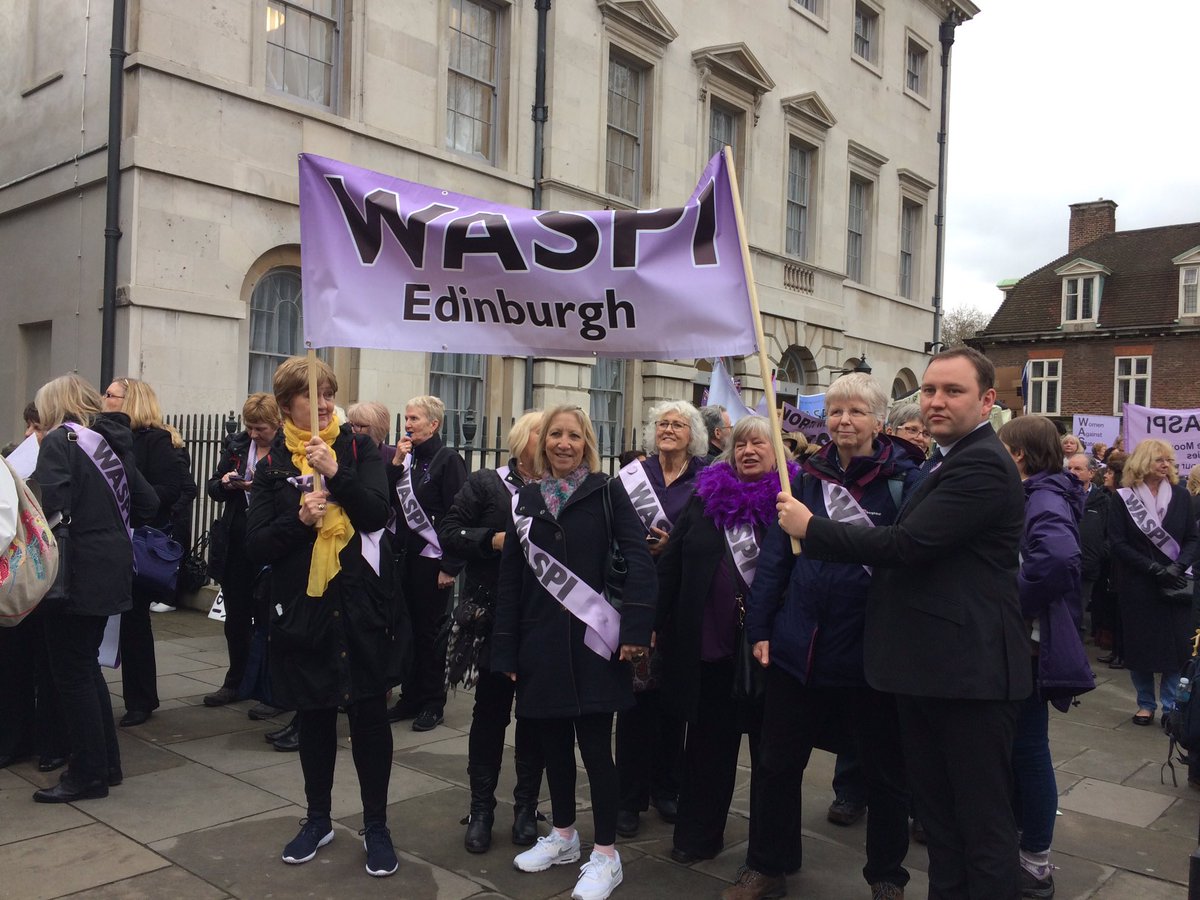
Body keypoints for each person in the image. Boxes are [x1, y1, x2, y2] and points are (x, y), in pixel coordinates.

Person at [775, 348, 1031, 899]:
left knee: (979, 825)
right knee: (942, 821)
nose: (936, 401)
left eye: (953, 391)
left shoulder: (982, 463)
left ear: (987, 401)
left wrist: (812, 527)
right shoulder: (944, 457)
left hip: (968, 675)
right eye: (930, 390)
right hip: (928, 669)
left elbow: (908, 545)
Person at [726, 373, 924, 900]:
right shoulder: (805, 479)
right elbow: (774, 563)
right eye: (835, 412)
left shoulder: (907, 480)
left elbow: (908, 556)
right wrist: (762, 627)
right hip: (800, 648)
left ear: (878, 420)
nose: (843, 421)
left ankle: (887, 876)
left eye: (856, 411)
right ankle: (767, 865)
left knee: (885, 774)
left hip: (871, 652)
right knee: (775, 765)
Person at [245, 356, 405, 877]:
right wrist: (298, 521)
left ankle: (376, 826)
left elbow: (378, 512)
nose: (325, 404)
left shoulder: (358, 448)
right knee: (314, 715)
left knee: (368, 718)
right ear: (289, 404)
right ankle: (318, 818)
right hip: (305, 609)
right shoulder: (272, 467)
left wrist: (337, 473)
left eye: (330, 395)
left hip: (358, 605)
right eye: (314, 398)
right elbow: (257, 545)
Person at [492, 405, 656, 900]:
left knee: (596, 751)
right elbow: (512, 579)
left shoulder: (608, 492)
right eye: (555, 436)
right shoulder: (525, 497)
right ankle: (563, 835)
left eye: (574, 436)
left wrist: (636, 630)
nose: (564, 443)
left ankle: (606, 855)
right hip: (538, 642)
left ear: (587, 442)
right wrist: (506, 652)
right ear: (542, 445)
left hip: (595, 643)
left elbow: (642, 560)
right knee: (551, 746)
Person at [657, 415, 799, 865]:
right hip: (710, 647)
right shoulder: (703, 499)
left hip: (770, 651)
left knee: (773, 758)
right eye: (741, 445)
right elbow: (673, 565)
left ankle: (772, 855)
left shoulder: (794, 502)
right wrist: (653, 623)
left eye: (759, 444)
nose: (749, 451)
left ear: (777, 452)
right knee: (706, 747)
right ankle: (697, 836)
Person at [31, 374, 157, 802]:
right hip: (110, 568)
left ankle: (87, 775)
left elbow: (47, 509)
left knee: (72, 673)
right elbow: (148, 503)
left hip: (74, 573)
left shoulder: (58, 442)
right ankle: (106, 765)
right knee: (86, 668)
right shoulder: (109, 443)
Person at [438, 411, 545, 854]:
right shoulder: (486, 483)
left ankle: (526, 808)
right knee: (490, 714)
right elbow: (448, 531)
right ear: (523, 439)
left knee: (536, 717)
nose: (556, 442)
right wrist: (492, 540)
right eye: (546, 433)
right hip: (492, 617)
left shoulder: (564, 489)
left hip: (542, 619)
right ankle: (481, 808)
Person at [998, 415, 1093, 900]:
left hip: (1028, 648)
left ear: (1017, 455)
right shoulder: (1043, 492)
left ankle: (1035, 860)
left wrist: (1010, 603)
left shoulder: (1042, 496)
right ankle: (1023, 846)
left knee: (1030, 751)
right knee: (1023, 749)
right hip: (1027, 644)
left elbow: (1057, 558)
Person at [613, 400, 706, 837]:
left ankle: (666, 787)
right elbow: (611, 529)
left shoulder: (706, 478)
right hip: (636, 598)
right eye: (662, 424)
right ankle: (628, 797)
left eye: (678, 425)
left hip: (683, 602)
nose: (668, 430)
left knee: (674, 700)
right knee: (634, 703)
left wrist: (674, 548)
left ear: (694, 435)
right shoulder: (632, 476)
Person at [103, 378, 186, 726]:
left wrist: (134, 492)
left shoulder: (156, 441)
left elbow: (174, 489)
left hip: (137, 538)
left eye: (110, 395)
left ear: (130, 400)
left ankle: (141, 698)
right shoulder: (101, 438)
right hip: (109, 538)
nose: (103, 398)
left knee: (135, 621)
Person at [387, 395, 467, 732]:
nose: (407, 424)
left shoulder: (448, 460)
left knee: (431, 633)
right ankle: (410, 695)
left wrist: (451, 564)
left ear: (434, 424)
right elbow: (391, 503)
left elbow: (459, 514)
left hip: (433, 563)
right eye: (406, 418)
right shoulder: (405, 460)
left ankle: (433, 702)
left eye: (415, 418)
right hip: (405, 559)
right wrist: (394, 465)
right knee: (408, 630)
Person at [1109, 439, 1200, 728]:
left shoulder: (1181, 496)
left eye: (1169, 461)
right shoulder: (1123, 498)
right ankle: (1145, 703)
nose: (1166, 466)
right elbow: (1117, 542)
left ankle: (1171, 705)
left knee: (1176, 649)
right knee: (1141, 647)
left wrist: (1178, 565)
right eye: (1160, 460)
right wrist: (1150, 567)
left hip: (1176, 583)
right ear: (1143, 462)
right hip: (1138, 584)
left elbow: (1192, 538)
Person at [202, 393, 282, 713]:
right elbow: (211, 487)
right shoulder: (236, 446)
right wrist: (224, 483)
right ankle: (235, 681)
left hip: (271, 544)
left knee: (271, 619)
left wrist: (259, 487)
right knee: (235, 617)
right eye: (250, 428)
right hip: (237, 541)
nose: (253, 434)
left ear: (277, 424)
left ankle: (270, 686)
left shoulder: (289, 449)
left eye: (260, 428)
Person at [1067, 452, 1109, 644]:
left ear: (1091, 473)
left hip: (1088, 568)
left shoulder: (1104, 501)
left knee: (1079, 615)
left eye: (1078, 468)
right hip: (1063, 565)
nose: (1072, 472)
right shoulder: (1060, 495)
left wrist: (1099, 553)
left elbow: (1111, 534)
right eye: (1069, 468)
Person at [1097, 453, 1128, 669]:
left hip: (1120, 563)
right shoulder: (1104, 496)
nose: (1105, 475)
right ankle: (1116, 650)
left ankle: (1123, 653)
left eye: (1109, 472)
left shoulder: (1123, 499)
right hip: (1109, 563)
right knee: (1112, 608)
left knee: (1122, 610)